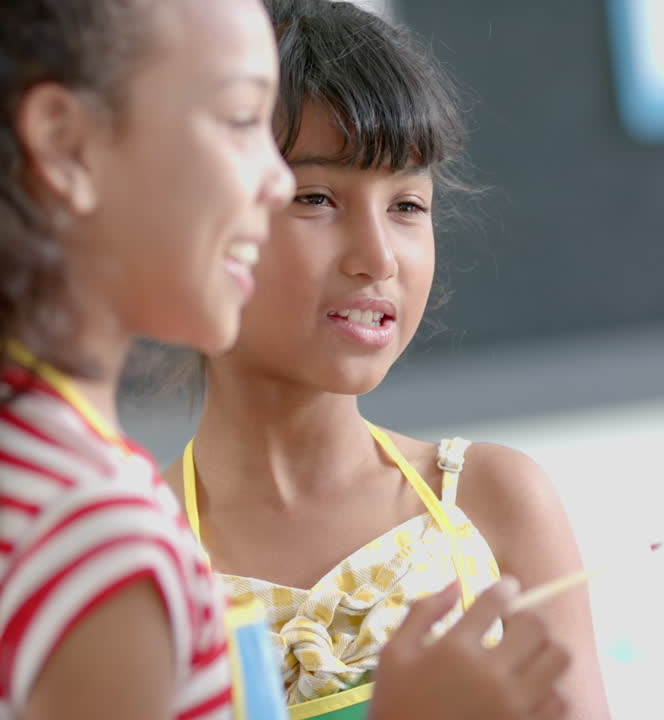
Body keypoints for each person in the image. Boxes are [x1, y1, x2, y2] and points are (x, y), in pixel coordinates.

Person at [0, 1, 568, 719]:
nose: (269, 178)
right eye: (240, 122)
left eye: (407, 204)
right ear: (67, 146)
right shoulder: (99, 537)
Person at [166, 1, 609, 718]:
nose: (376, 259)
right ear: (204, 218)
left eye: (407, 206)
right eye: (316, 199)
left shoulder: (494, 505)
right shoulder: (140, 559)